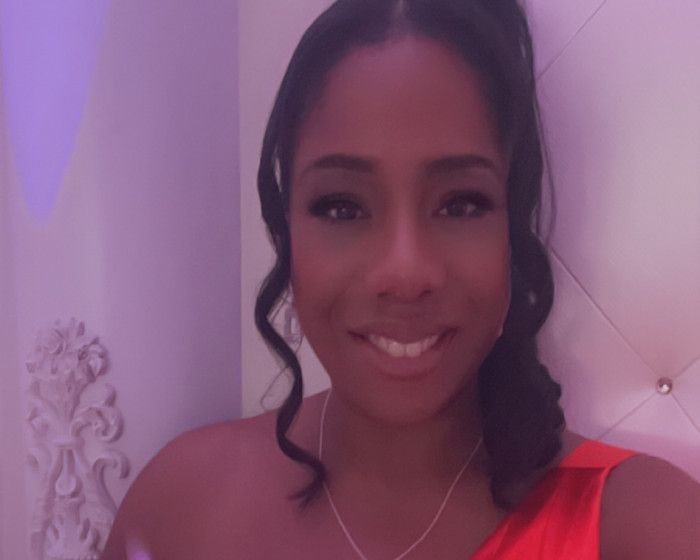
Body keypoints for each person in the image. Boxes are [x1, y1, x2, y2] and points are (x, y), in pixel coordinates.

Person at [101, 1, 700, 558]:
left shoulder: (646, 529)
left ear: (511, 233)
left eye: (461, 204)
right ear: (287, 231)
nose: (405, 272)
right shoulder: (182, 509)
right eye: (342, 207)